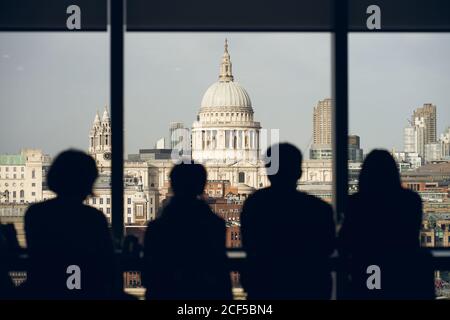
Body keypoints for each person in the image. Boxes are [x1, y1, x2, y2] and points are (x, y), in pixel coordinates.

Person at [241, 143, 336, 299]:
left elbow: (250, 245)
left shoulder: (254, 205)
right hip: (308, 288)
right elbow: (328, 248)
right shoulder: (319, 209)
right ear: (299, 172)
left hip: (265, 287)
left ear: (268, 172)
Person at [338, 149, 435, 299]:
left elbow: (345, 241)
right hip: (404, 271)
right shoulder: (411, 201)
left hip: (368, 271)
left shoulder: (356, 202)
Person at [23, 150, 117, 299]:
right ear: (87, 181)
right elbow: (106, 264)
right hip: (86, 290)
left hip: (42, 289)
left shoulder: (35, 213)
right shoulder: (93, 218)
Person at [143, 162, 232, 300]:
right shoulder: (215, 225)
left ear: (172, 185)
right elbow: (220, 273)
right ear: (202, 186)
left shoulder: (157, 227)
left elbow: (148, 275)